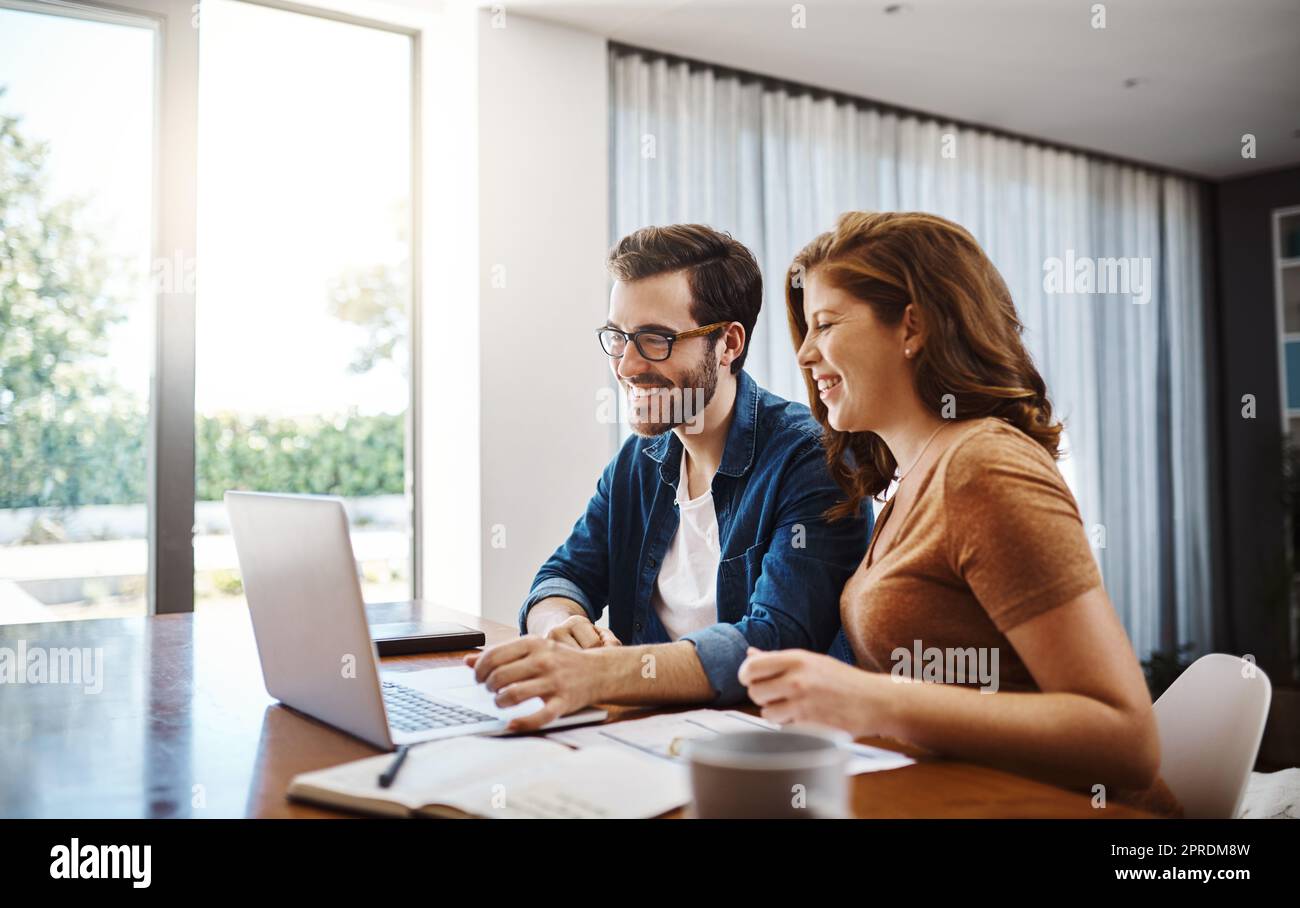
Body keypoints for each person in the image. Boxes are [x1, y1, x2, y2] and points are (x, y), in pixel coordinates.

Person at [738, 210, 1181, 816]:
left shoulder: (982, 468)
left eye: (826, 324)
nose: (807, 354)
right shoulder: (908, 480)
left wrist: (876, 699)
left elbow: (1126, 741)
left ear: (911, 326)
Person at [467, 224, 871, 731]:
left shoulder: (810, 458)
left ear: (728, 344)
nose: (627, 366)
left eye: (655, 340)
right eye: (618, 338)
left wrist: (603, 673)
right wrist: (561, 627)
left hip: (767, 754)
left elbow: (775, 641)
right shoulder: (640, 461)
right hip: (647, 736)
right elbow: (563, 575)